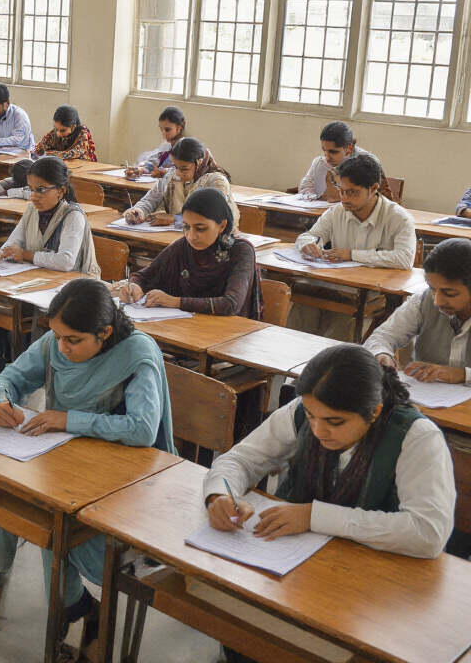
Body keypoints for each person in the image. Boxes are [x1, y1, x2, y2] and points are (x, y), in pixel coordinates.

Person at [0, 278, 174, 655]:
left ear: (105, 332)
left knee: (55, 518)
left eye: (73, 340)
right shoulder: (55, 342)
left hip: (124, 476)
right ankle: (70, 605)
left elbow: (143, 429)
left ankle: (75, 607)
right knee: (7, 492)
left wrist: (68, 419)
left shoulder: (136, 352)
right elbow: (9, 377)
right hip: (65, 460)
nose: (61, 347)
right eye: (57, 336)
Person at [205, 344, 454, 560]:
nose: (318, 430)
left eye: (335, 422)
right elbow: (240, 460)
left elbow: (428, 533)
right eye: (312, 416)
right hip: (288, 558)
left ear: (374, 412)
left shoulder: (415, 436)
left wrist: (315, 516)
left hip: (374, 577)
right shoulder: (303, 410)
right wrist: (220, 495)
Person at [0, 156, 102, 378]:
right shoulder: (32, 210)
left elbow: (66, 261)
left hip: (76, 289)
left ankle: (30, 373)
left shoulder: (73, 216)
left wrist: (26, 255)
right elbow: (14, 242)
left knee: (32, 312)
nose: (34, 196)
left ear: (61, 191)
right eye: (31, 190)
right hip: (39, 281)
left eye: (41, 190)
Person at [113, 187, 263, 318]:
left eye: (201, 228)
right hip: (185, 327)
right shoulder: (183, 247)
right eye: (186, 227)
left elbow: (231, 304)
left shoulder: (240, 251)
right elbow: (143, 276)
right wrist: (136, 286)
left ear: (222, 225)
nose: (191, 236)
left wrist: (175, 301)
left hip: (229, 335)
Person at [366, 238, 471, 383]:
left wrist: (463, 375)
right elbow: (383, 335)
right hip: (426, 398)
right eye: (432, 289)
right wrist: (381, 353)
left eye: (450, 293)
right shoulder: (423, 301)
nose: (437, 301)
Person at [293, 153, 415, 269]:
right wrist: (308, 244)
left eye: (352, 192)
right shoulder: (335, 212)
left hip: (381, 286)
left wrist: (352, 255)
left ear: (373, 189)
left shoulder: (399, 218)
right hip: (342, 283)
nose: (344, 198)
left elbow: (405, 259)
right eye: (341, 191)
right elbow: (309, 236)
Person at [124, 137, 239, 228]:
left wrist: (174, 219)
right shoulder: (172, 175)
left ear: (198, 163)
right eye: (175, 166)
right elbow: (152, 198)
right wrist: (139, 211)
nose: (178, 173)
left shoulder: (216, 181)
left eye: (184, 168)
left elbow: (213, 216)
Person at [299, 121, 394, 202]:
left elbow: (382, 200)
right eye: (324, 150)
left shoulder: (367, 164)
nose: (327, 158)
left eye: (333, 152)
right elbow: (305, 188)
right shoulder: (320, 163)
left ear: (349, 148)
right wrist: (314, 198)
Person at [127, 106, 185, 177]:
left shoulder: (187, 148)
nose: (163, 133)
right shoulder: (166, 147)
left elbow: (185, 171)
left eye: (167, 130)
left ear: (180, 127)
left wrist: (163, 172)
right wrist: (139, 170)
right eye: (161, 129)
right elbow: (152, 161)